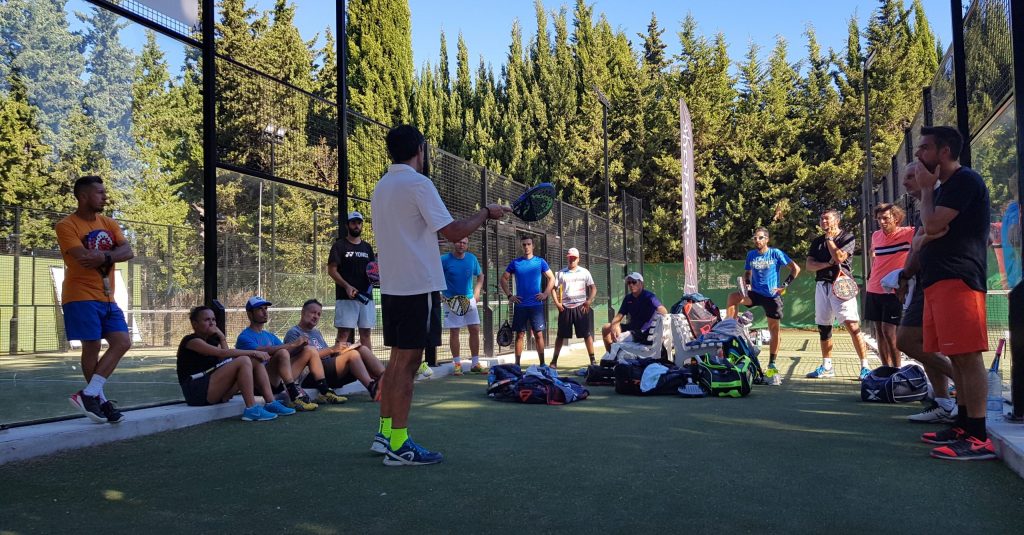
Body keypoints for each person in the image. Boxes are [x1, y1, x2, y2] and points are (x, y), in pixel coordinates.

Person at [370, 124, 510, 465]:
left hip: (393, 289)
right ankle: (399, 445)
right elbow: (454, 232)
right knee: (408, 367)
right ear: (420, 149)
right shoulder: (419, 184)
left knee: (397, 364)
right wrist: (485, 213)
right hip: (418, 288)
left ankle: (385, 434)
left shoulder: (381, 187)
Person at [913, 126, 994, 461]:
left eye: (925, 148)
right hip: (939, 280)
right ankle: (963, 424)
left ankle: (978, 436)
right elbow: (927, 231)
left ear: (944, 151)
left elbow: (931, 227)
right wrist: (930, 198)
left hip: (959, 277)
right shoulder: (945, 188)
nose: (918, 155)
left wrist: (927, 192)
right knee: (956, 354)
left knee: (968, 354)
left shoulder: (963, 181)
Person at [57, 176, 135, 424]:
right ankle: (100, 401)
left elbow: (128, 251)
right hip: (80, 295)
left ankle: (89, 394)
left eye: (104, 192)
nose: (104, 196)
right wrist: (111, 255)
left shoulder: (109, 223)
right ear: (83, 197)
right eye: (99, 193)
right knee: (91, 346)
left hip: (107, 298)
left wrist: (102, 256)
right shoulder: (66, 225)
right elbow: (82, 257)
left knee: (122, 341)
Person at [893, 162, 957, 424]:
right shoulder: (923, 209)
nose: (906, 182)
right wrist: (905, 275)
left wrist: (907, 272)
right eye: (904, 177)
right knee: (925, 342)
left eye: (911, 175)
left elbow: (927, 240)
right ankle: (943, 402)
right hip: (925, 282)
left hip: (946, 280)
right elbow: (918, 246)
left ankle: (965, 385)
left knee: (907, 340)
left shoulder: (940, 200)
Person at [176, 306, 296, 421]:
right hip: (197, 392)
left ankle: (270, 402)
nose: (212, 323)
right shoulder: (191, 341)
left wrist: (222, 338)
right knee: (244, 359)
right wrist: (253, 352)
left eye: (213, 319)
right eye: (207, 320)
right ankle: (251, 409)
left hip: (215, 390)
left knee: (254, 361)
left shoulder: (213, 341)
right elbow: (223, 353)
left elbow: (225, 362)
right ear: (194, 324)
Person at [724, 227, 799, 384]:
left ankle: (772, 364)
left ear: (767, 239)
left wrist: (784, 286)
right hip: (755, 294)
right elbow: (747, 273)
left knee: (774, 331)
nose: (757, 240)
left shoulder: (776, 253)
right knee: (732, 297)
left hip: (772, 296)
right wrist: (748, 284)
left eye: (760, 238)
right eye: (755, 238)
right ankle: (730, 331)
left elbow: (795, 269)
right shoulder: (751, 255)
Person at [804, 209, 870, 379]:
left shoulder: (847, 237)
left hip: (842, 285)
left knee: (853, 326)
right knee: (824, 328)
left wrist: (830, 240)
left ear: (836, 220)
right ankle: (827, 367)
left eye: (826, 218)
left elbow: (840, 258)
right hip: (822, 285)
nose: (823, 221)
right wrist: (828, 263)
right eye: (821, 218)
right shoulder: (816, 242)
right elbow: (809, 266)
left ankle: (865, 366)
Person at [284, 299, 385, 402]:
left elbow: (328, 356)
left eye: (319, 314)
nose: (316, 316)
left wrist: (343, 349)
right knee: (353, 355)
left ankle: (386, 379)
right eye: (313, 312)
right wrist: (332, 349)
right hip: (311, 376)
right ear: (303, 312)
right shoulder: (293, 333)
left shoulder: (316, 332)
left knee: (362, 349)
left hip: (327, 370)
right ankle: (372, 388)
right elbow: (303, 358)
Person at [235, 296, 319, 412]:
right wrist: (293, 344)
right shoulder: (244, 337)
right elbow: (263, 351)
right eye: (260, 309)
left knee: (309, 350)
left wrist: (300, 347)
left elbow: (286, 354)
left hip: (276, 381)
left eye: (266, 309)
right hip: (257, 385)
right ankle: (294, 395)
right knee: (283, 352)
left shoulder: (269, 335)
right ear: (250, 314)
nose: (265, 312)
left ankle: (324, 390)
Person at [865, 203, 914, 369]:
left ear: (896, 218)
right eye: (879, 218)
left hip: (893, 290)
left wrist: (906, 279)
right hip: (873, 289)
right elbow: (875, 257)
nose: (881, 221)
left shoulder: (910, 233)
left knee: (888, 330)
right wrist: (871, 274)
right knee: (879, 331)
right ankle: (886, 369)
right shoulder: (876, 236)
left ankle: (896, 370)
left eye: (885, 218)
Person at [500, 236, 555, 367]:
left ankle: (542, 364)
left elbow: (552, 278)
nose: (526, 247)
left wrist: (546, 293)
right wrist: (510, 296)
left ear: (533, 246)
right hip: (520, 306)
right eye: (524, 244)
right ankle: (517, 365)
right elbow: (503, 279)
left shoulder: (540, 262)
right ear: (521, 246)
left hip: (536, 306)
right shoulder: (515, 263)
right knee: (520, 335)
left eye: (529, 244)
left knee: (539, 334)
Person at [327, 211, 376, 352]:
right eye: (353, 222)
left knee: (366, 334)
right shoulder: (339, 246)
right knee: (343, 334)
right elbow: (332, 270)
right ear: (347, 225)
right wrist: (347, 286)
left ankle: (369, 370)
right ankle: (338, 370)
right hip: (346, 298)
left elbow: (373, 272)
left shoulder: (367, 247)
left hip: (366, 298)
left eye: (359, 223)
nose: (356, 225)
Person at [440, 238, 485, 375]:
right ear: (454, 244)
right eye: (459, 242)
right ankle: (457, 364)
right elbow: (435, 276)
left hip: (469, 300)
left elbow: (480, 275)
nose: (461, 245)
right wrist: (439, 293)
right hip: (451, 301)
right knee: (454, 331)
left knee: (475, 329)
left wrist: (477, 292)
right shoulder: (444, 259)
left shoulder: (471, 259)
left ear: (467, 245)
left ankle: (475, 363)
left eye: (464, 243)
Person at [601, 272, 669, 355]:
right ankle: (610, 355)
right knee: (606, 328)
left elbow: (663, 311)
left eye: (634, 282)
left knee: (617, 337)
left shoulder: (649, 296)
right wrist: (614, 325)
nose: (631, 285)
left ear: (641, 283)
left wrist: (658, 322)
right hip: (632, 328)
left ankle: (613, 357)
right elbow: (619, 315)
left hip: (643, 333)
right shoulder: (628, 298)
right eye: (629, 282)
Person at [550, 247, 597, 369]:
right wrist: (557, 303)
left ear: (578, 259)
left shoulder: (585, 272)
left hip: (581, 308)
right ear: (567, 258)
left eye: (574, 258)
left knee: (587, 334)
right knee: (560, 336)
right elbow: (553, 290)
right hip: (565, 309)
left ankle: (593, 361)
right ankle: (554, 361)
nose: (572, 260)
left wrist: (588, 301)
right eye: (570, 258)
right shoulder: (560, 273)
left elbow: (593, 288)